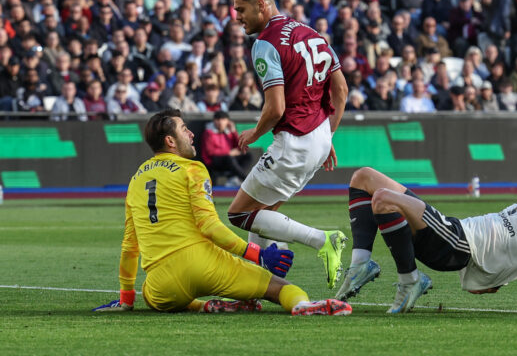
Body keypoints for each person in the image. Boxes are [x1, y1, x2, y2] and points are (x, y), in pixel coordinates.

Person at [93, 109, 351, 316]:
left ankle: (205, 305)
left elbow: (130, 245)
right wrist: (257, 254)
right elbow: (210, 227)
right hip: (205, 265)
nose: (192, 134)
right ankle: (302, 306)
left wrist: (127, 298)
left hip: (163, 282)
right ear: (170, 141)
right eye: (184, 130)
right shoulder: (192, 169)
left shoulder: (136, 179)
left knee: (151, 297)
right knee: (281, 288)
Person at [335, 151, 517, 314]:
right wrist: (497, 281)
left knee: (383, 198)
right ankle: (360, 264)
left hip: (458, 247)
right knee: (363, 177)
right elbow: (516, 249)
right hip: (453, 232)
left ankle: (410, 281)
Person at [227, 0, 350, 289]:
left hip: (294, 140)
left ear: (262, 5)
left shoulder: (265, 43)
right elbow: (341, 90)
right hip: (319, 137)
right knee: (264, 214)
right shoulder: (313, 33)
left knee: (240, 214)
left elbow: (276, 108)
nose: (236, 17)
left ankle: (324, 239)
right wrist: (328, 135)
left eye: (241, 9)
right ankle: (262, 287)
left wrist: (254, 133)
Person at [200, 111, 254, 186]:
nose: (220, 122)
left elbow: (240, 147)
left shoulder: (229, 132)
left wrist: (233, 131)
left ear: (228, 121)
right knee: (229, 158)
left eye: (223, 120)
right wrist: (228, 152)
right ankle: (246, 180)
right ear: (214, 121)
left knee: (248, 156)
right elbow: (210, 152)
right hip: (213, 161)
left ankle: (233, 177)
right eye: (218, 120)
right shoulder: (208, 133)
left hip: (228, 160)